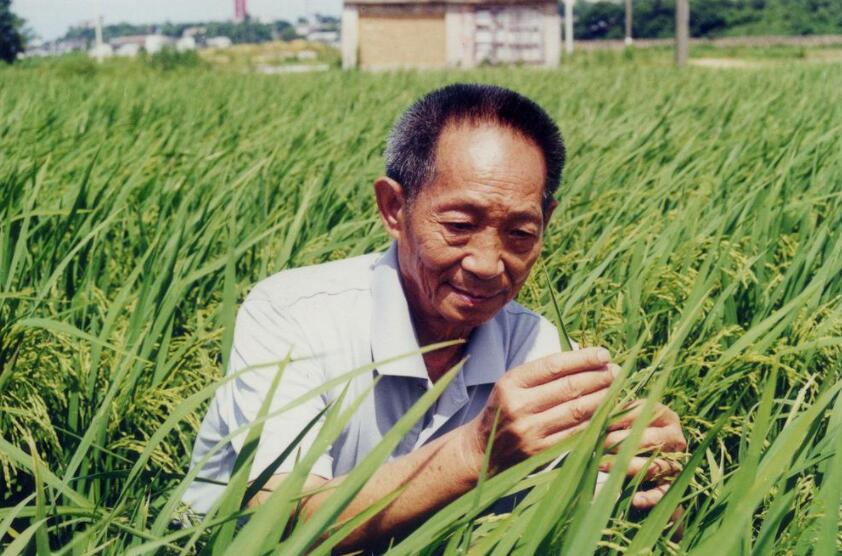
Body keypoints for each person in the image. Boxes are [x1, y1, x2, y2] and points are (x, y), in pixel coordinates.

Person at [183, 83, 686, 549]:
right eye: (460, 225)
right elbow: (278, 519)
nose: (487, 264)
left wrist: (651, 485)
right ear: (393, 208)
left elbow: (607, 525)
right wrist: (476, 453)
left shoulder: (536, 347)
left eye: (520, 233)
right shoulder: (292, 315)